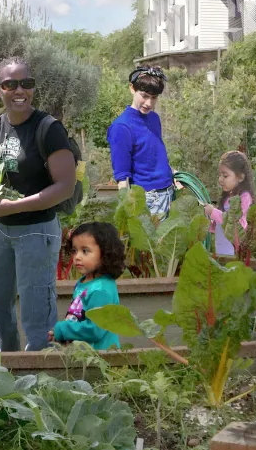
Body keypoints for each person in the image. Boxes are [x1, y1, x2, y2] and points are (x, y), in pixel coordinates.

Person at [0, 57, 76, 353]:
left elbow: (65, 187)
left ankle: (41, 380)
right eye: (11, 84)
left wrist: (11, 207)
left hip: (37, 231)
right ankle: (8, 373)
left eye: (26, 83)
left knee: (37, 313)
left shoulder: (48, 128)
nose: (20, 91)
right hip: (0, 231)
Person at [108, 66, 176, 217]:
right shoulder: (121, 127)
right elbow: (122, 176)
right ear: (132, 88)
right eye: (144, 96)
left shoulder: (154, 118)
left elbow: (153, 153)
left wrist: (171, 172)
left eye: (154, 97)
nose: (149, 103)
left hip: (168, 192)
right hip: (148, 199)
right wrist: (126, 211)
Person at [49, 222, 124, 350]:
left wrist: (62, 330)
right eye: (74, 250)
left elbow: (95, 330)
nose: (77, 257)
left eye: (85, 251)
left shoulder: (101, 290)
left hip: (100, 359)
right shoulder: (85, 282)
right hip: (85, 358)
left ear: (105, 253)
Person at [203, 151, 255, 257]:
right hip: (222, 249)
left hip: (235, 252)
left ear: (240, 177)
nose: (220, 179)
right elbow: (221, 222)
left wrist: (213, 212)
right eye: (220, 175)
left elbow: (239, 225)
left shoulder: (245, 197)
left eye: (225, 176)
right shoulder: (227, 197)